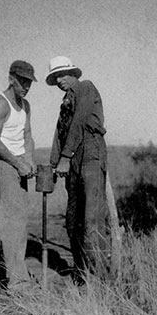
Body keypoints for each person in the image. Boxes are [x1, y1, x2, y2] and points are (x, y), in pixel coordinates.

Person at [46, 56, 111, 284]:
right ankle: (81, 273)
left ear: (73, 73)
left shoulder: (86, 87)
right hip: (73, 160)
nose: (59, 81)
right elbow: (59, 134)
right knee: (73, 220)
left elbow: (80, 122)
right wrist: (54, 165)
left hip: (90, 154)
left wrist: (65, 157)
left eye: (62, 75)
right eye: (55, 78)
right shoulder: (65, 101)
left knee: (92, 220)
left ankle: (98, 277)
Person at [0, 60, 36, 291]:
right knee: (11, 223)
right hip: (3, 164)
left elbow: (27, 135)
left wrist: (30, 159)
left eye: (29, 82)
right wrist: (17, 162)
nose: (26, 86)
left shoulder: (25, 105)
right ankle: (17, 283)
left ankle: (20, 276)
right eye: (22, 81)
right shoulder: (0, 103)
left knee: (20, 222)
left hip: (19, 165)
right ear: (11, 78)